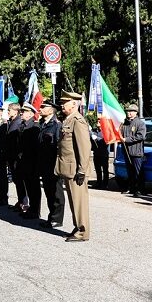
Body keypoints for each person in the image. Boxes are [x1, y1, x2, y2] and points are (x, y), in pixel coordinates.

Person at [57, 91, 93, 242]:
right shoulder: (68, 120)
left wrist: (82, 170)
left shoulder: (78, 121)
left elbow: (84, 147)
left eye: (64, 103)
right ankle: (77, 226)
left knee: (79, 202)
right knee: (73, 201)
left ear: (73, 104)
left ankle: (82, 231)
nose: (61, 105)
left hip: (76, 170)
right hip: (68, 168)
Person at [37, 102, 64, 228]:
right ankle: (51, 216)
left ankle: (57, 219)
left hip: (53, 165)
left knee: (56, 192)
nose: (40, 109)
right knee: (48, 192)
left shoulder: (57, 125)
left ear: (51, 110)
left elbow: (60, 147)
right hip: (44, 164)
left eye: (43, 107)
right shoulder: (43, 124)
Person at [19, 103, 41, 219]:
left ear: (31, 114)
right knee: (28, 186)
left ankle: (35, 211)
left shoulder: (34, 126)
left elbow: (36, 147)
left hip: (32, 162)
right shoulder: (24, 125)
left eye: (24, 111)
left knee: (34, 187)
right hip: (25, 161)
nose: (21, 113)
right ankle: (31, 209)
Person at [5, 102, 29, 212]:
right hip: (11, 156)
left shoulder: (19, 122)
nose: (8, 112)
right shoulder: (12, 122)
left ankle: (24, 203)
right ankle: (20, 201)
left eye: (9, 110)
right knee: (16, 180)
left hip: (16, 157)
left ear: (15, 111)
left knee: (20, 180)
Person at [120, 103, 146, 196]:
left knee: (138, 172)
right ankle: (131, 188)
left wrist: (126, 139)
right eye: (127, 111)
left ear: (136, 112)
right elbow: (121, 134)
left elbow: (140, 136)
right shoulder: (125, 123)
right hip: (127, 151)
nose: (129, 113)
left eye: (131, 111)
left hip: (136, 152)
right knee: (130, 171)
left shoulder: (140, 123)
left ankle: (140, 189)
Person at [90, 123, 110, 188]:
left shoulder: (105, 131)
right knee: (97, 169)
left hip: (104, 154)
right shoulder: (95, 131)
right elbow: (90, 137)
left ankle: (105, 184)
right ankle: (98, 182)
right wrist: (89, 131)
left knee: (105, 170)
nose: (97, 122)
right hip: (96, 153)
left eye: (99, 121)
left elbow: (106, 142)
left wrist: (97, 138)